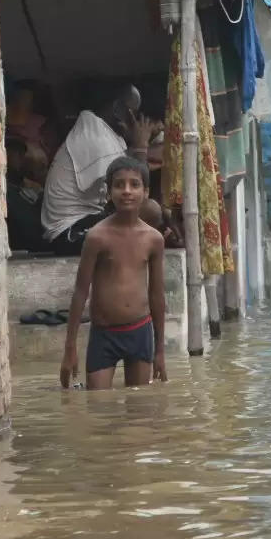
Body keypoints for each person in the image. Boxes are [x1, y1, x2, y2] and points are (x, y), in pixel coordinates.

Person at [60, 156, 168, 390]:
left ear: (145, 192)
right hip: (104, 335)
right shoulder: (97, 237)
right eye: (119, 185)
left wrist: (160, 350)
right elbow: (80, 292)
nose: (127, 191)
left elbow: (157, 296)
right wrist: (70, 348)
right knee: (98, 407)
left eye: (134, 185)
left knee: (138, 411)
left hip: (140, 331)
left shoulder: (154, 239)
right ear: (109, 193)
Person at [41, 84, 158, 256]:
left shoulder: (103, 133)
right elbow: (137, 191)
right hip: (68, 233)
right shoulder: (96, 139)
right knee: (149, 210)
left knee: (152, 215)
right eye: (133, 113)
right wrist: (141, 146)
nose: (136, 121)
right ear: (118, 109)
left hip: (83, 221)